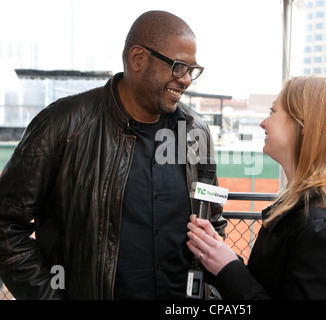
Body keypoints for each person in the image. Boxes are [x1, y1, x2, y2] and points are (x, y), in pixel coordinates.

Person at [0, 11, 226, 300]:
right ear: (138, 58)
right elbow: (6, 224)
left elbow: (214, 220)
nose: (187, 80)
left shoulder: (198, 133)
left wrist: (210, 294)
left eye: (193, 70)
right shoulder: (62, 124)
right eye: (179, 67)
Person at [187, 75, 326, 300]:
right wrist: (220, 258)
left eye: (272, 111)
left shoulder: (323, 229)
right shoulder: (309, 214)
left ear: (303, 125)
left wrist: (228, 268)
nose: (263, 123)